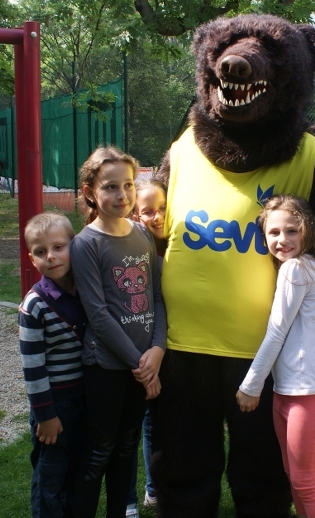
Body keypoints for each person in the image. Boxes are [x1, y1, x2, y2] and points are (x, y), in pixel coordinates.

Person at [70, 147, 167, 518]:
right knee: (99, 452)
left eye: (128, 185)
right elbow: (98, 315)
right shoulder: (86, 244)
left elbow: (157, 296)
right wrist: (141, 366)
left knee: (126, 448)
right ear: (89, 192)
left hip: (143, 366)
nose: (122, 194)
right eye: (110, 187)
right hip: (107, 368)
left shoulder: (142, 234)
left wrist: (157, 349)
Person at [236, 194, 315, 517]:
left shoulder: (296, 269)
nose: (282, 239)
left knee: (305, 481)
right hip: (288, 392)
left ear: (307, 231)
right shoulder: (302, 266)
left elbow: (276, 332)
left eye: (292, 231)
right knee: (294, 476)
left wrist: (251, 385)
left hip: (309, 394)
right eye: (274, 232)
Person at [19, 212, 88, 518]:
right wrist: (45, 416)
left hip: (85, 399)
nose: (51, 256)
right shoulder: (34, 305)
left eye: (59, 247)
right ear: (31, 258)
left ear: (75, 246)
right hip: (54, 405)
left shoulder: (87, 292)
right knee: (50, 478)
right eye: (41, 251)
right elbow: (33, 368)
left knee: (78, 475)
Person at [125, 178, 167, 517]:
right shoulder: (132, 249)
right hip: (133, 350)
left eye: (163, 208)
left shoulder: (177, 244)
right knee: (129, 428)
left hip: (164, 348)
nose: (158, 216)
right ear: (135, 215)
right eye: (148, 211)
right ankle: (128, 501)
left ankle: (154, 490)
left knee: (155, 422)